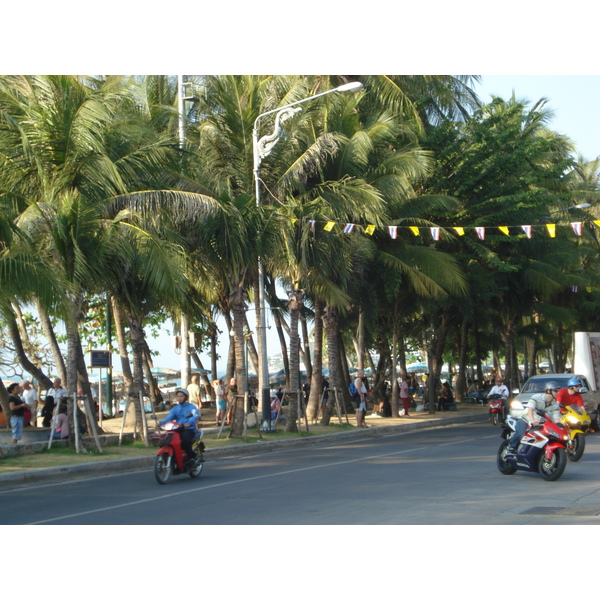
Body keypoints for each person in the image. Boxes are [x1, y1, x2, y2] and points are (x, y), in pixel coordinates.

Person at [506, 380, 561, 455]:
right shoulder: (537, 397)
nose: (558, 393)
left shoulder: (555, 404)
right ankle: (510, 448)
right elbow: (530, 410)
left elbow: (556, 418)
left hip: (541, 424)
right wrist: (533, 421)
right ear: (548, 391)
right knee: (520, 434)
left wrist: (559, 425)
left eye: (558, 391)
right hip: (526, 419)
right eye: (555, 391)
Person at [157, 388, 199, 465]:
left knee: (185, 441)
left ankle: (191, 457)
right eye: (178, 396)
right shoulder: (175, 409)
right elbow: (169, 418)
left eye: (181, 396)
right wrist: (160, 423)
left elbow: (195, 416)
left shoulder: (192, 407)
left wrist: (189, 423)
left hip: (188, 429)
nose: (179, 398)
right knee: (166, 441)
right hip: (177, 429)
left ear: (186, 397)